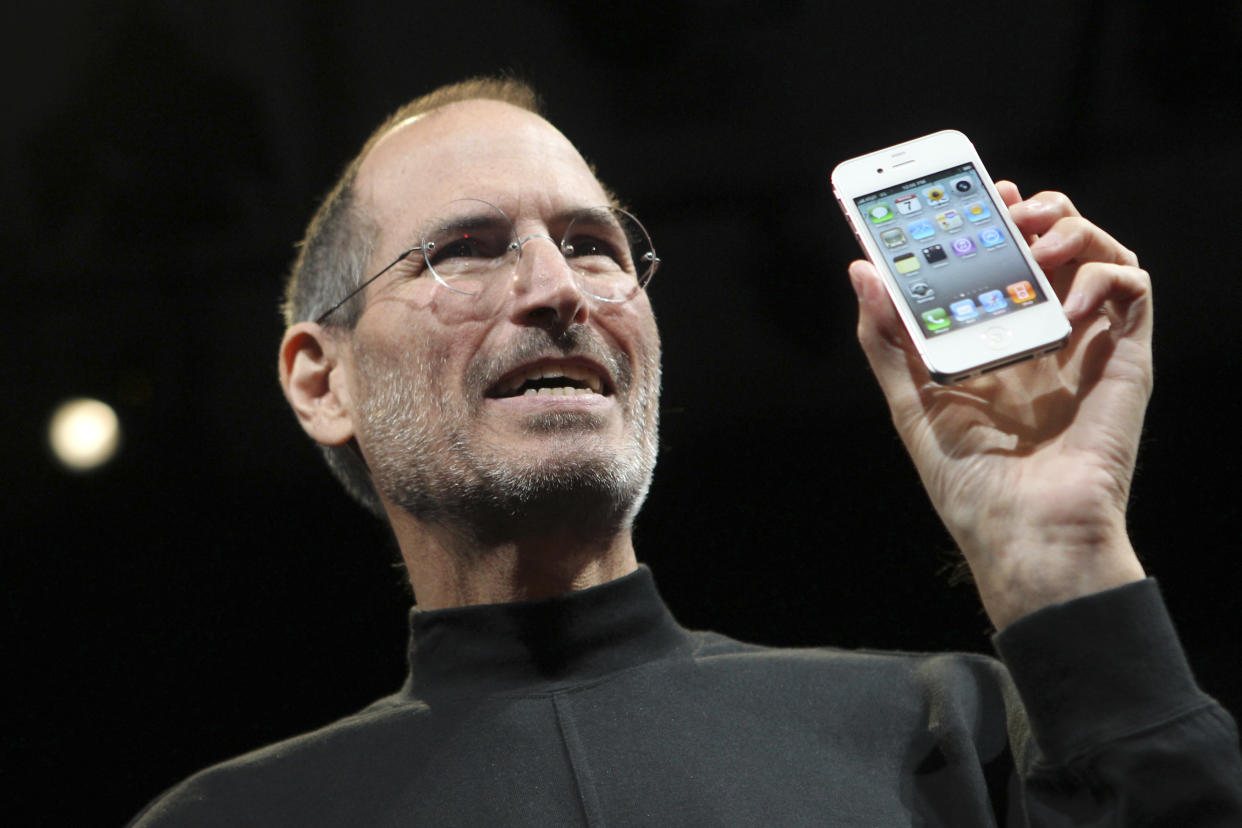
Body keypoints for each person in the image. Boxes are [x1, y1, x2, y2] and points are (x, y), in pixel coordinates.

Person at [130, 77, 1242, 826]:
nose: (559, 289)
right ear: (322, 382)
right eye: (465, 251)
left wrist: (1061, 554)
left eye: (592, 244)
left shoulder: (952, 734)